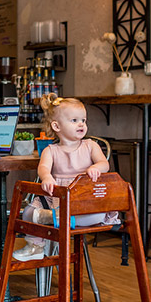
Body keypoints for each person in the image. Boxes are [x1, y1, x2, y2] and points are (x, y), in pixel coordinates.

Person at [12, 94, 118, 261]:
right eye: (74, 120)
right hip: (58, 199)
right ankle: (35, 246)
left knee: (97, 217)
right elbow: (43, 168)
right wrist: (46, 177)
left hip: (84, 200)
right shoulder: (51, 150)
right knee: (27, 213)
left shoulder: (91, 146)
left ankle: (50, 217)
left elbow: (105, 164)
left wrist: (95, 168)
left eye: (83, 120)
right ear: (57, 126)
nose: (81, 124)